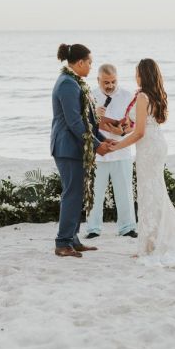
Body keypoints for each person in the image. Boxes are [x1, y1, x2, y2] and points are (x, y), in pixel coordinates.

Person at [110, 59, 175, 267]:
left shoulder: (143, 97)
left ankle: (149, 246)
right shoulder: (150, 95)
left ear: (143, 75)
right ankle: (151, 243)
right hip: (155, 143)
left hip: (149, 146)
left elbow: (140, 132)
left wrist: (117, 146)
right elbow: (138, 126)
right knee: (154, 191)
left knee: (149, 192)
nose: (135, 76)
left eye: (136, 72)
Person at [50, 43, 114, 258]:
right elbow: (74, 122)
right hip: (67, 147)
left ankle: (72, 239)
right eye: (89, 63)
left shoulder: (75, 81)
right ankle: (62, 242)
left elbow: (88, 121)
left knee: (77, 194)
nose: (90, 67)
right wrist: (97, 145)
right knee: (72, 194)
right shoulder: (68, 84)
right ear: (79, 63)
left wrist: (103, 140)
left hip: (76, 147)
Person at [85, 64, 137, 239]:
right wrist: (93, 114)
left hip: (121, 150)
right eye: (106, 82)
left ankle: (128, 227)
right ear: (98, 80)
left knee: (125, 192)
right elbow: (81, 124)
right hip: (98, 152)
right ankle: (93, 228)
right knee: (94, 193)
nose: (110, 85)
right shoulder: (89, 95)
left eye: (113, 81)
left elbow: (135, 124)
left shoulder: (128, 96)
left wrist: (122, 131)